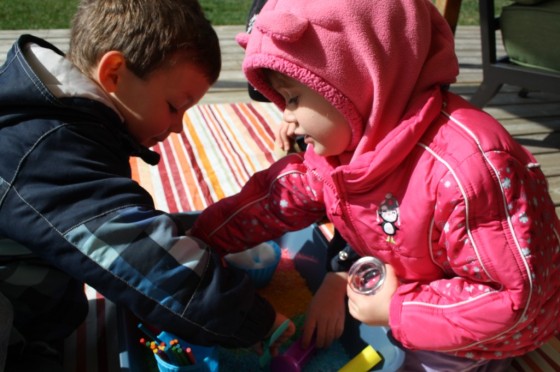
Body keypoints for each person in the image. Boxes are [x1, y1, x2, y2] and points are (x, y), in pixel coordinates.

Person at [189, 0, 560, 370]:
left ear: (358, 80)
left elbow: (512, 300)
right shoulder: (345, 148)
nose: (286, 116)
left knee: (407, 355)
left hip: (497, 325)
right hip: (419, 282)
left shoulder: (467, 172)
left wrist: (399, 308)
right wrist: (203, 240)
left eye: (293, 98)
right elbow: (276, 200)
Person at [0, 0, 294, 370]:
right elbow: (143, 256)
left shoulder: (70, 121)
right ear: (114, 74)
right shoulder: (43, 150)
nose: (178, 127)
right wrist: (252, 319)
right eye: (174, 106)